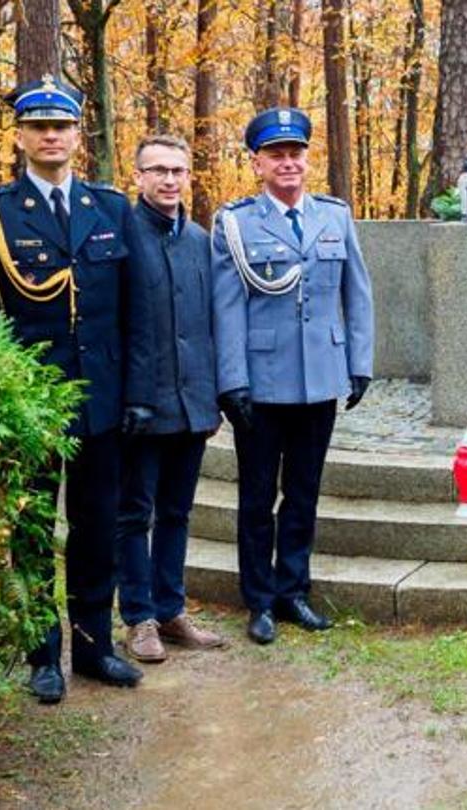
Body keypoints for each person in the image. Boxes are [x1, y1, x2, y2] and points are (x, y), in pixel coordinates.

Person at [0, 75, 142, 703]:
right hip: (33, 406)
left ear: (76, 133)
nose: (51, 136)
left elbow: (134, 314)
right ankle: (43, 656)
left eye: (60, 126)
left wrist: (134, 394)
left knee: (96, 530)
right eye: (39, 127)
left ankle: (94, 648)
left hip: (102, 402)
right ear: (21, 136)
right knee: (32, 529)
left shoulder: (111, 209)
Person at [211, 107, 375, 645]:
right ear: (257, 163)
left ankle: (292, 592)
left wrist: (358, 364)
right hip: (261, 383)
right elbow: (227, 308)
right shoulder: (235, 224)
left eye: (295, 152)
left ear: (307, 157)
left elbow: (358, 293)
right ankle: (258, 601)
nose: (288, 163)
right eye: (275, 154)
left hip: (320, 380)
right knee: (258, 497)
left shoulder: (334, 216)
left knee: (303, 493)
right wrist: (232, 382)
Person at [115, 134, 226, 662]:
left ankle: (171, 608)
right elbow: (116, 326)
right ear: (136, 176)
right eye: (157, 170)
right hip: (142, 406)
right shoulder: (121, 235)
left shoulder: (201, 240)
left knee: (178, 511)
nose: (168, 180)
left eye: (178, 171)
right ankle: (138, 618)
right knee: (135, 512)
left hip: (192, 403)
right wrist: (129, 397)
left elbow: (211, 324)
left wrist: (215, 398)